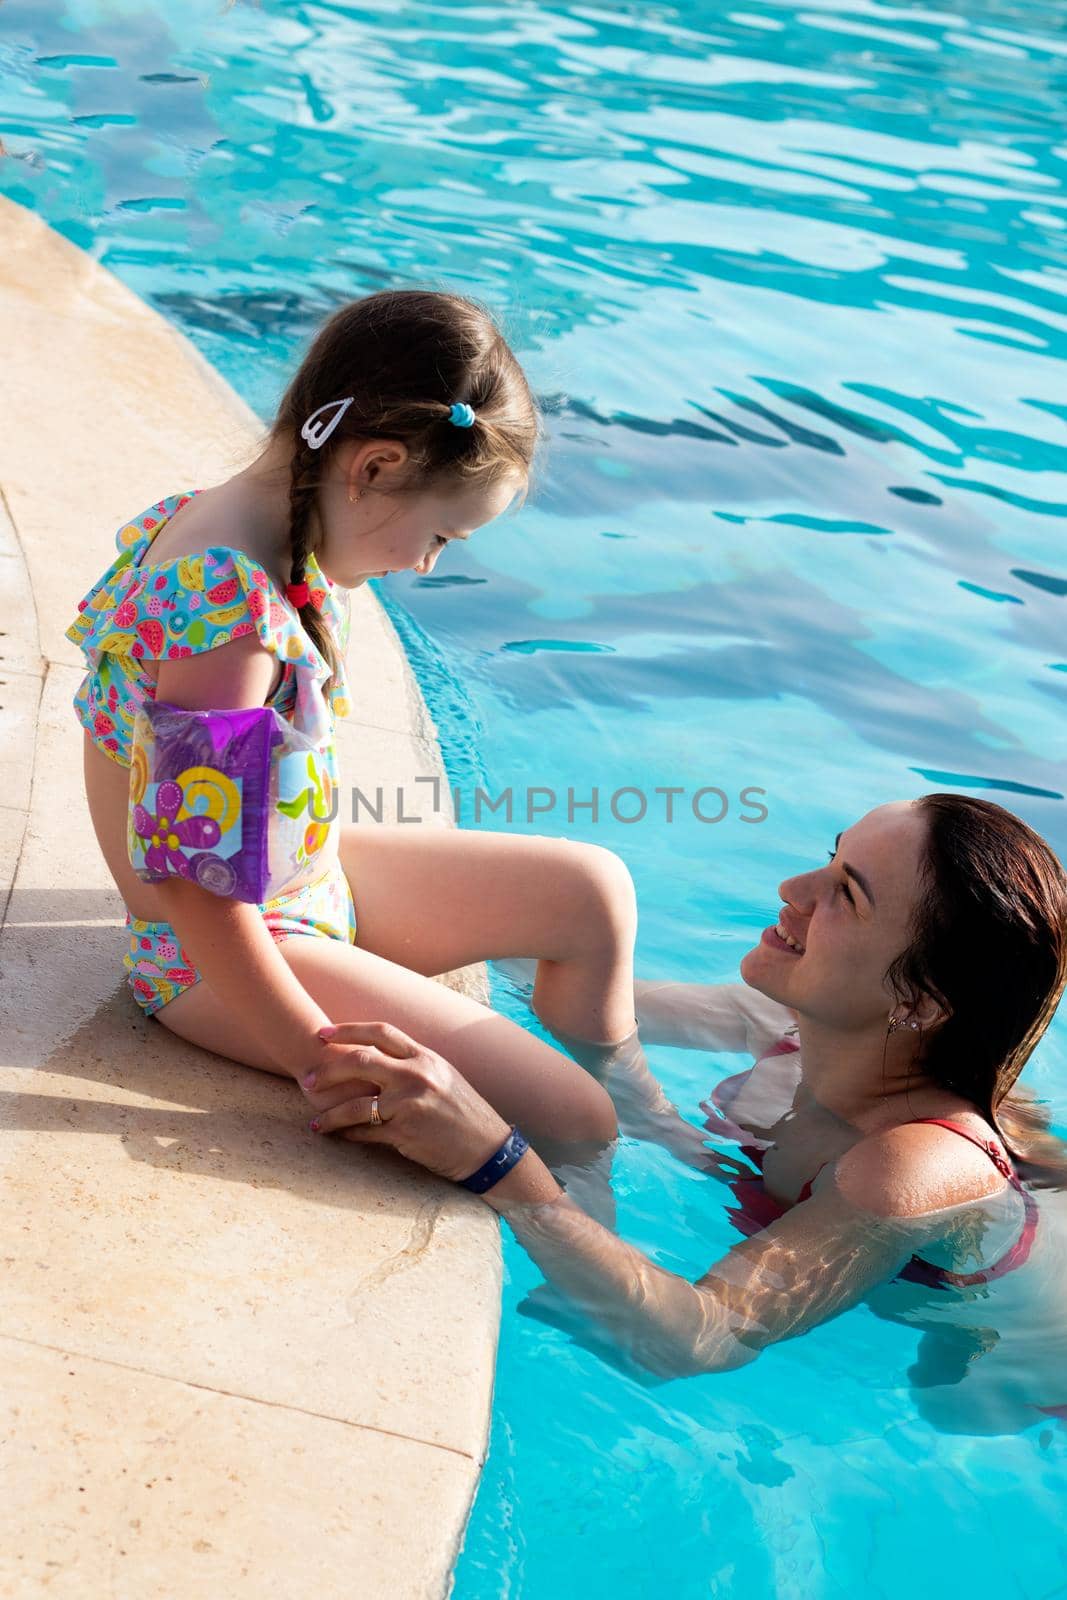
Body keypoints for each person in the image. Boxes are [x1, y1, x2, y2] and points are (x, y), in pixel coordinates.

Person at [66, 288, 641, 1158]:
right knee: (573, 1124)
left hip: (305, 885)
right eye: (441, 534)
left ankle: (639, 1098)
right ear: (371, 468)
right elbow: (191, 884)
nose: (424, 563)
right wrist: (314, 1054)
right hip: (219, 958)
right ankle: (598, 1207)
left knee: (591, 892)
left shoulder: (234, 522)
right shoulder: (225, 613)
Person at [300, 794, 1067, 1411]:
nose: (792, 892)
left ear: (919, 999)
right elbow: (542, 983)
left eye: (844, 895)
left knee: (954, 1407)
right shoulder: (791, 1020)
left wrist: (496, 1161)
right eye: (828, 859)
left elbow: (696, 1343)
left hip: (1027, 1357)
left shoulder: (910, 1166)